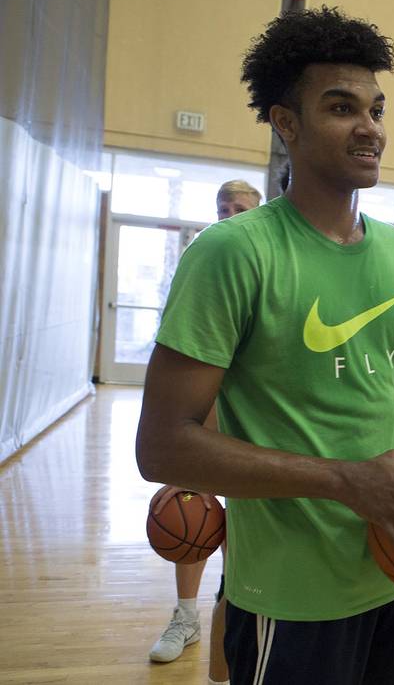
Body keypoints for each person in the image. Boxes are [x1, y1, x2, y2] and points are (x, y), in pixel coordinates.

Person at [136, 8, 394, 685]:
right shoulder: (233, 253)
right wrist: (346, 480)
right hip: (293, 599)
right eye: (342, 108)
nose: (370, 127)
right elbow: (163, 445)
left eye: (376, 108)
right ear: (287, 123)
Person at [148, 180, 262, 685]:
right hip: (201, 422)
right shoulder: (205, 266)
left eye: (240, 208)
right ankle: (184, 616)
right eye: (223, 208)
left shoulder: (263, 271)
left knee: (241, 549)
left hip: (252, 431)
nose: (230, 214)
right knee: (191, 520)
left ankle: (228, 623)